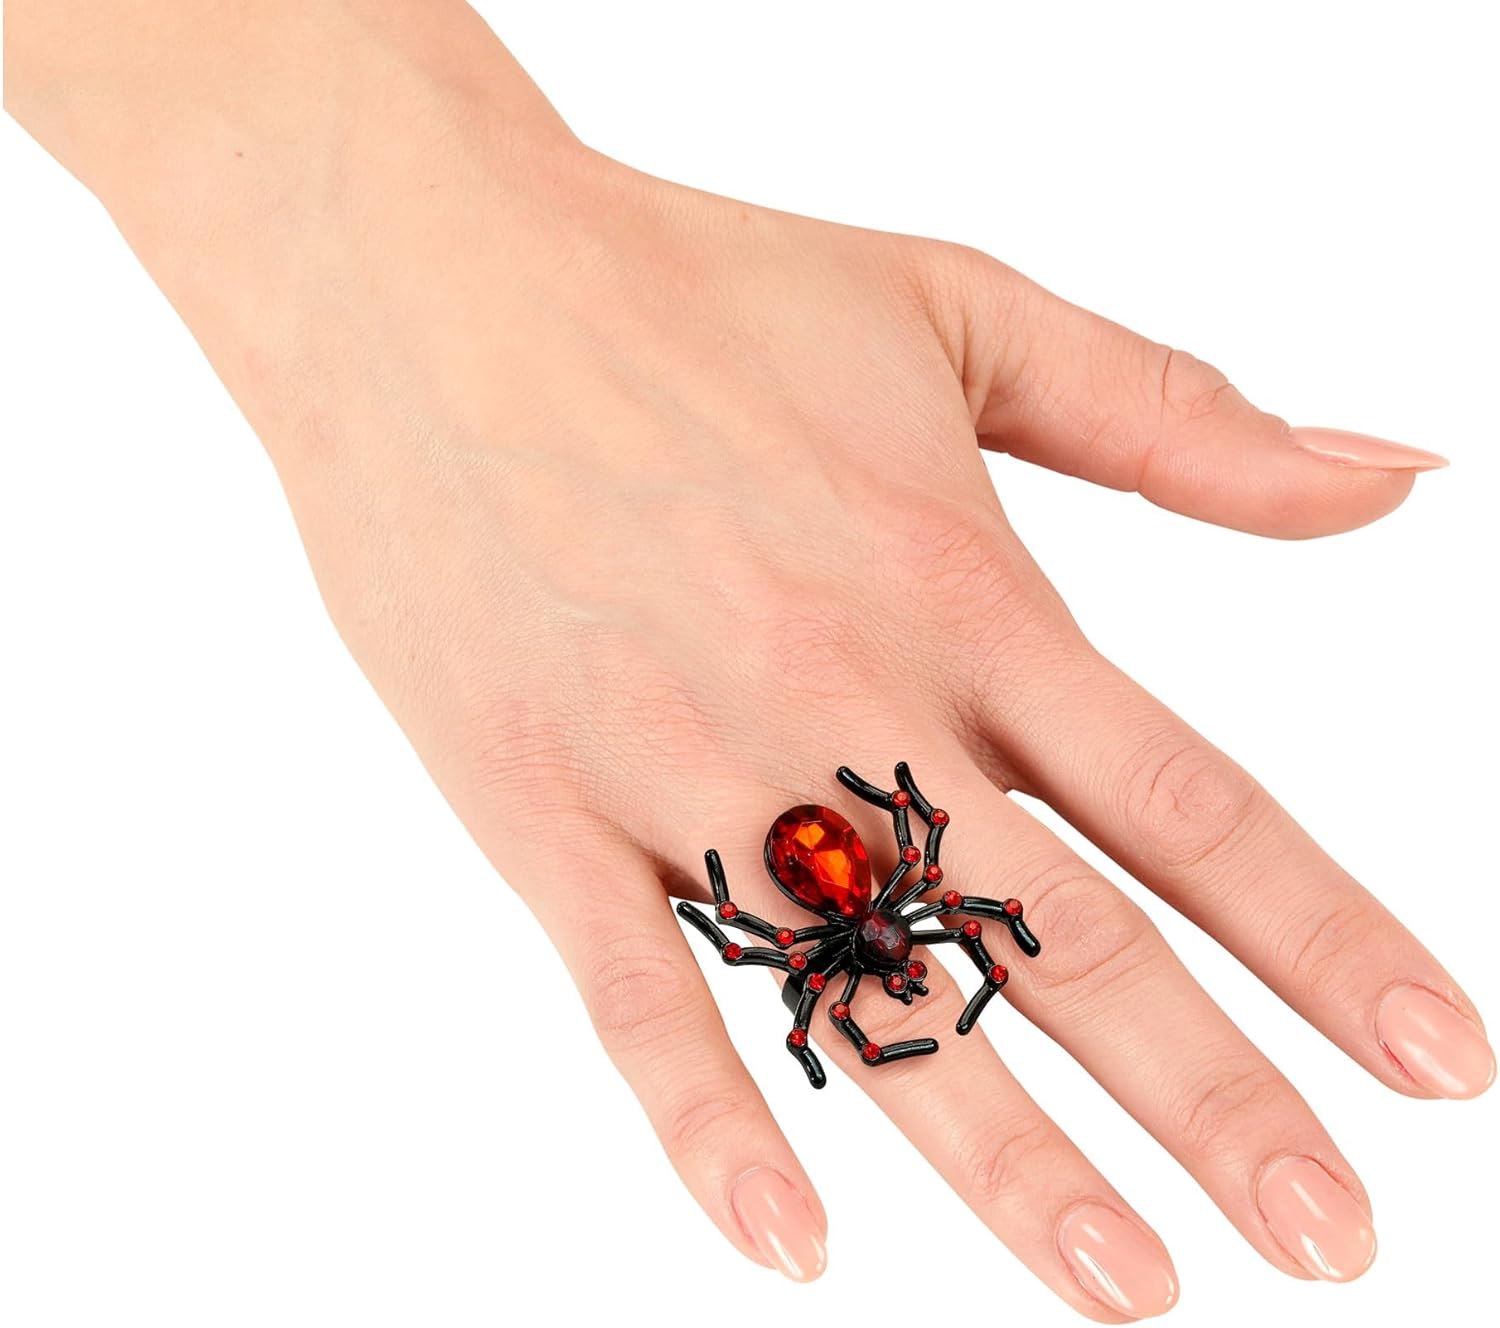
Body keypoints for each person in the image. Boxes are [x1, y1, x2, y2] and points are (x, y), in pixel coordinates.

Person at [5, 3, 1491, 1320]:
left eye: (900, 965)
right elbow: (822, 915)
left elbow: (771, 935)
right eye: (906, 960)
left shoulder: (837, 933)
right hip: (815, 857)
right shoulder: (882, 910)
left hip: (803, 865)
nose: (908, 964)